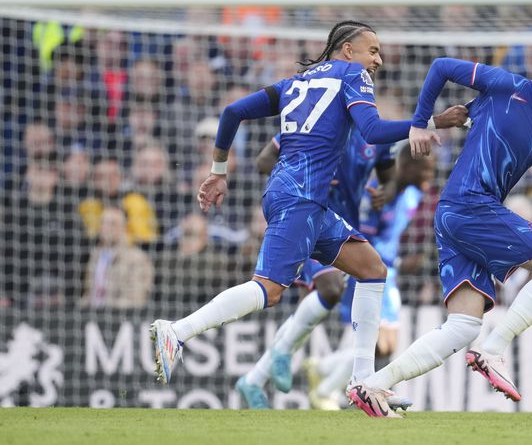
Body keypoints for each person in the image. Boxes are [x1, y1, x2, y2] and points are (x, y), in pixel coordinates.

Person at [148, 21, 464, 389]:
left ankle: (364, 382)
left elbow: (232, 111)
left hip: (301, 198)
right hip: (299, 197)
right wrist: (431, 121)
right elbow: (374, 132)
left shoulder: (294, 83)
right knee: (268, 289)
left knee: (372, 269)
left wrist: (219, 171)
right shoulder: (353, 75)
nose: (379, 59)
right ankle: (178, 331)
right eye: (372, 50)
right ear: (348, 50)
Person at [349, 36, 532, 418]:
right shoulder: (506, 85)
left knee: (463, 326)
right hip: (469, 204)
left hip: (461, 213)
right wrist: (419, 124)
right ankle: (494, 350)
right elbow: (440, 67)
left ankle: (373, 386)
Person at [234, 112, 465, 409]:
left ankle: (259, 375)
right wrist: (303, 178)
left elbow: (388, 177)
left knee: (314, 311)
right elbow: (264, 161)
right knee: (329, 295)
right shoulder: (314, 128)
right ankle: (329, 380)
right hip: (314, 221)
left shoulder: (376, 139)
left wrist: (387, 189)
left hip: (345, 234)